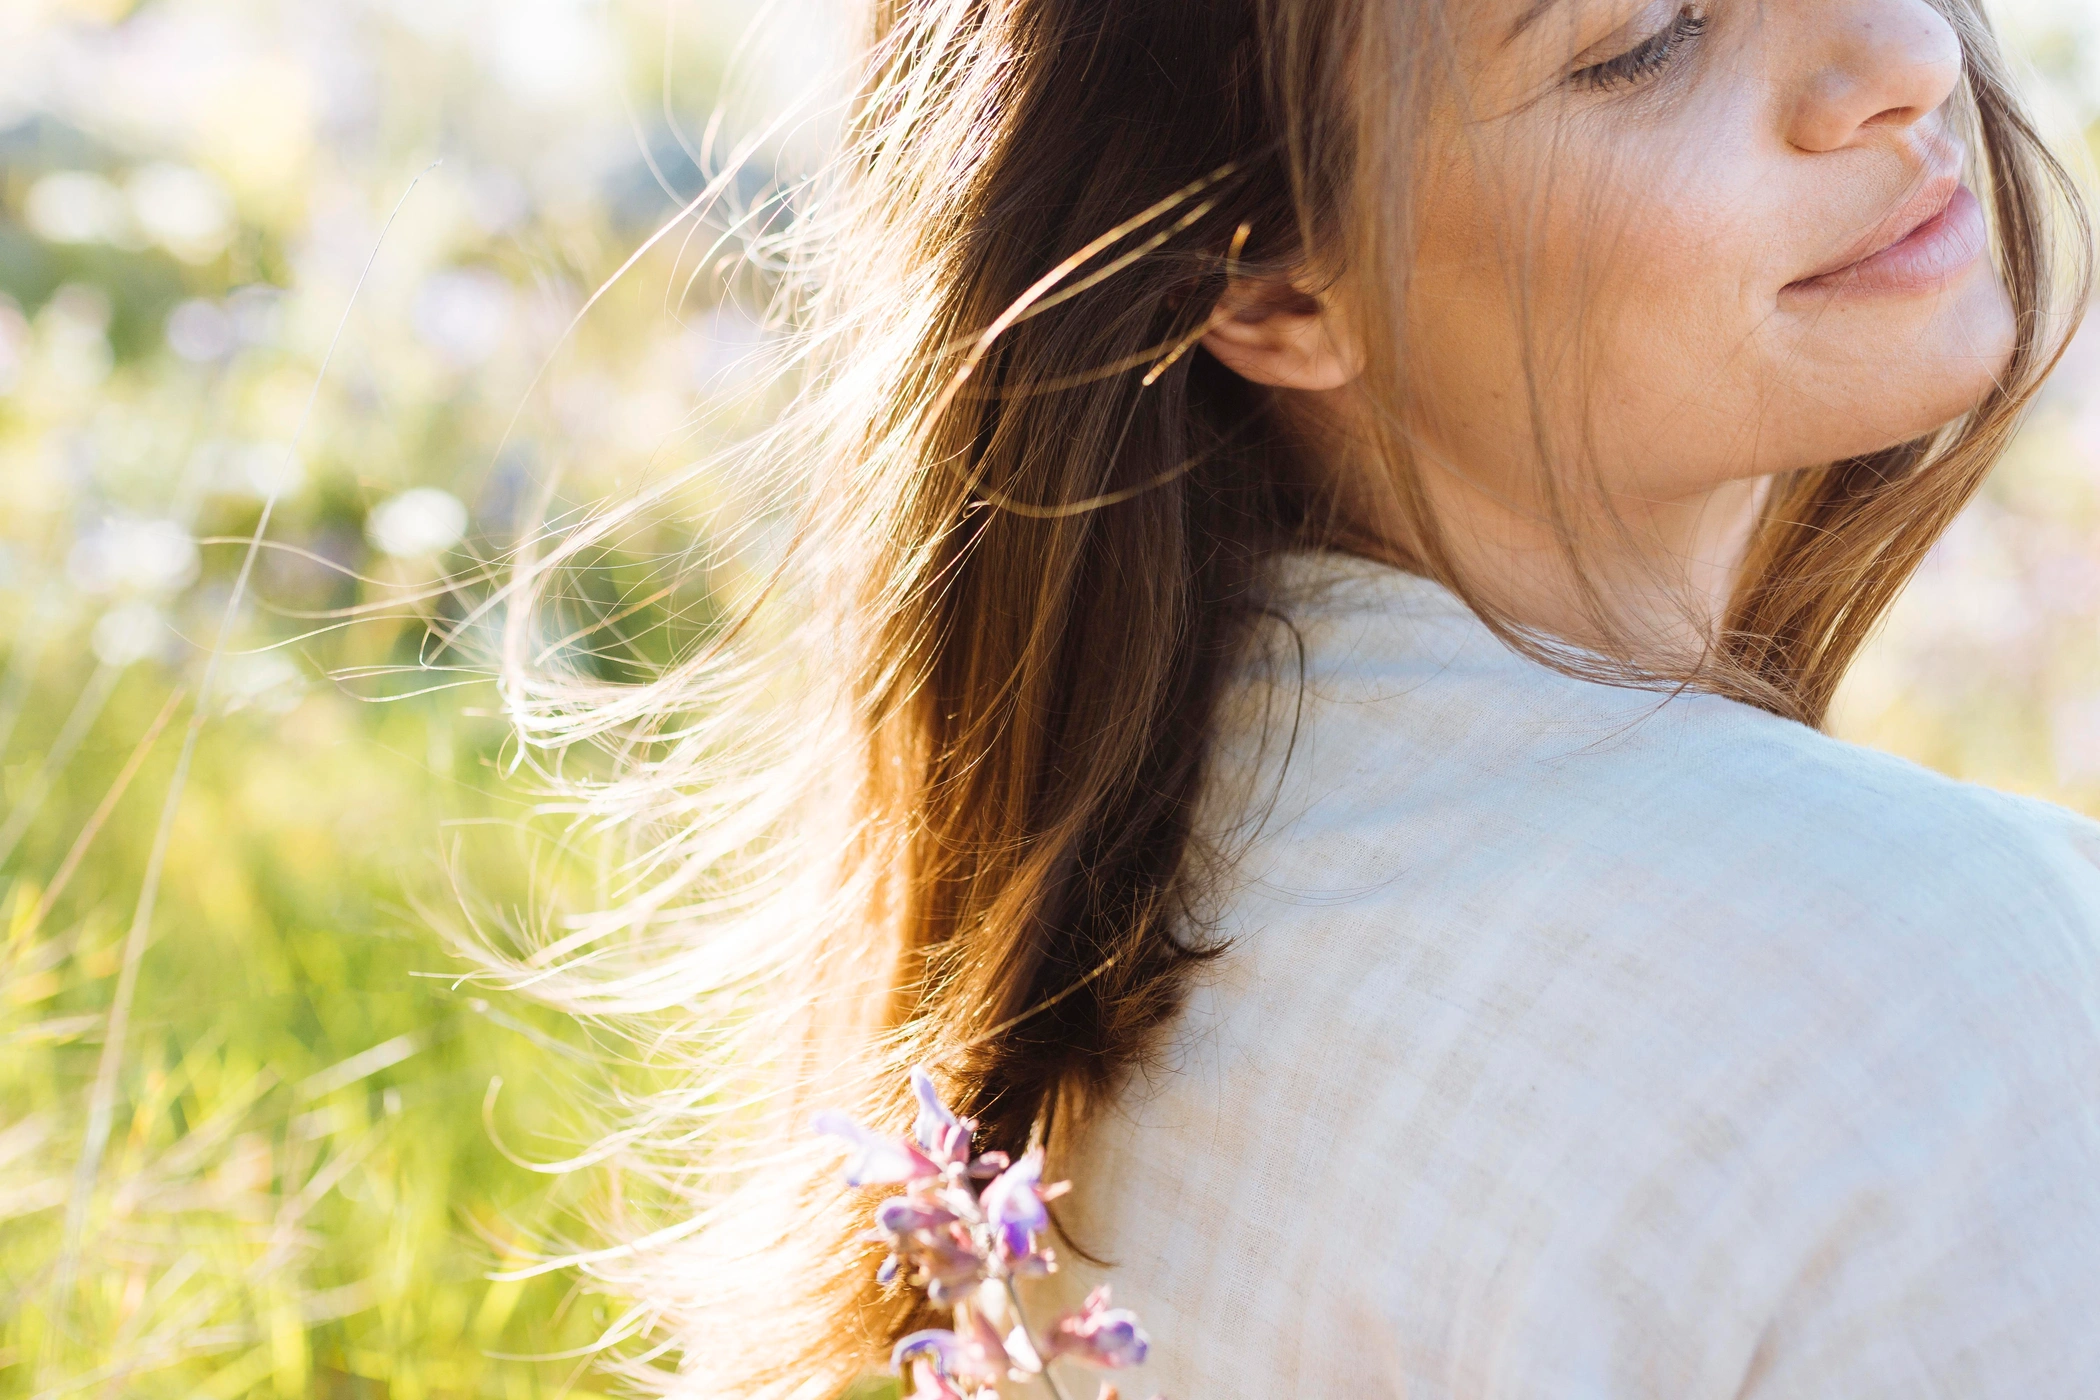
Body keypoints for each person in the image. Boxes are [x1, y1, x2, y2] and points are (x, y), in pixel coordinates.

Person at [496, 0, 2097, 1393]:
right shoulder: (1940, 976)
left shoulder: (1088, 930)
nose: (1907, 53)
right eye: (1645, 37)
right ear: (1263, 289)